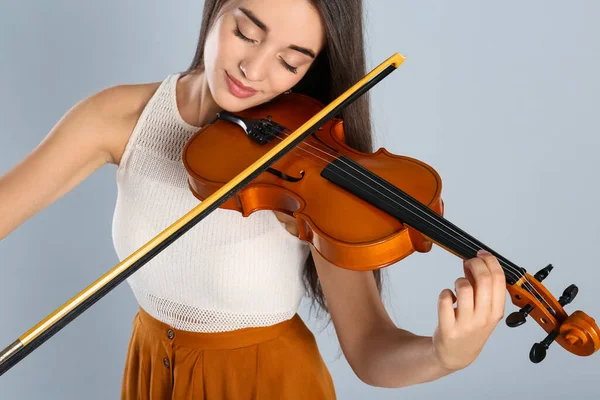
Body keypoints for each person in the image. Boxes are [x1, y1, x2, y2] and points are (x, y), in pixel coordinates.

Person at [0, 0, 507, 398]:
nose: (254, 70)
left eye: (290, 62)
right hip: (151, 375)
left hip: (268, 387)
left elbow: (371, 350)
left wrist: (444, 355)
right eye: (246, 32)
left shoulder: (317, 172)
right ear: (217, 7)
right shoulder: (120, 118)